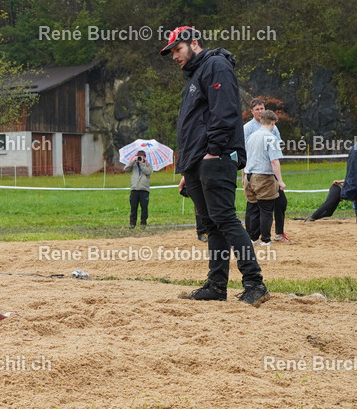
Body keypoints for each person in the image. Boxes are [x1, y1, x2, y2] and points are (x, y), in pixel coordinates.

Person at [161, 25, 269, 306]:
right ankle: (216, 285)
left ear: (194, 42)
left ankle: (255, 284)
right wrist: (188, 167)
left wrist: (213, 152)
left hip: (215, 158)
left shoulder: (217, 66)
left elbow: (225, 111)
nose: (174, 56)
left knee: (225, 219)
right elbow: (194, 124)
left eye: (177, 49)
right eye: (171, 52)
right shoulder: (195, 75)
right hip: (197, 162)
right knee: (211, 225)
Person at [243, 99, 289, 242]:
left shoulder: (252, 136)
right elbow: (274, 160)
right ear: (273, 123)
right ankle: (266, 240)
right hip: (263, 175)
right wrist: (280, 180)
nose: (260, 111)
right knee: (265, 210)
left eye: (261, 108)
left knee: (254, 208)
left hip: (250, 175)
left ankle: (253, 238)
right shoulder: (264, 134)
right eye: (257, 109)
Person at [305, 146, 357, 221]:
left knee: (329, 213)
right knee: (328, 204)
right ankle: (312, 217)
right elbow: (350, 179)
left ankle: (314, 218)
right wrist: (339, 182)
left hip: (345, 189)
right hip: (338, 188)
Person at [124, 151, 152, 228]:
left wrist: (142, 163)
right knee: (133, 207)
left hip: (144, 190)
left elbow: (148, 172)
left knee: (144, 207)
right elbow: (126, 169)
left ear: (144, 157)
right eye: (138, 156)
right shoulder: (133, 165)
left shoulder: (148, 165)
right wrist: (133, 161)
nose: (139, 158)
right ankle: (132, 223)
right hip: (134, 189)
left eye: (141, 156)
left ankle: (143, 222)